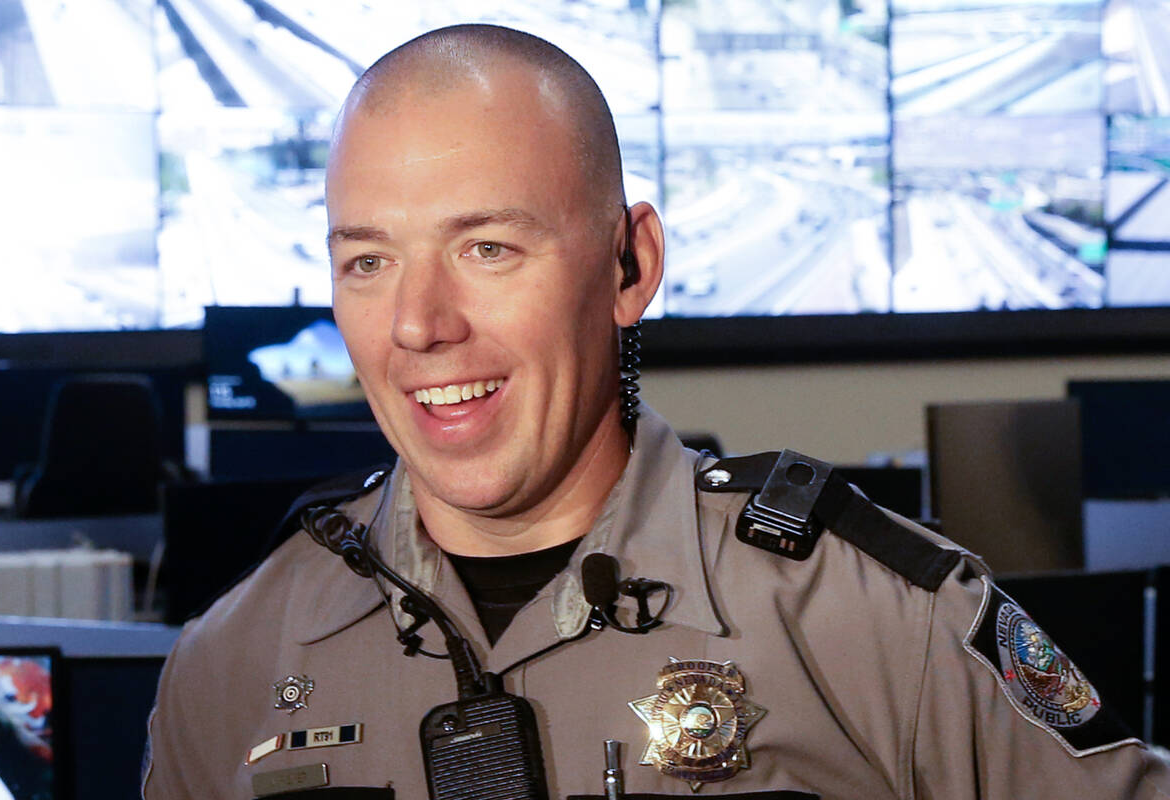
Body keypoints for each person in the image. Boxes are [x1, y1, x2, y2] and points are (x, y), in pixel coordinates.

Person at [143, 24, 1170, 800]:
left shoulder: (879, 620)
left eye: (487, 248)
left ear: (630, 265)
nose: (417, 323)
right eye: (368, 260)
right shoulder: (232, 663)